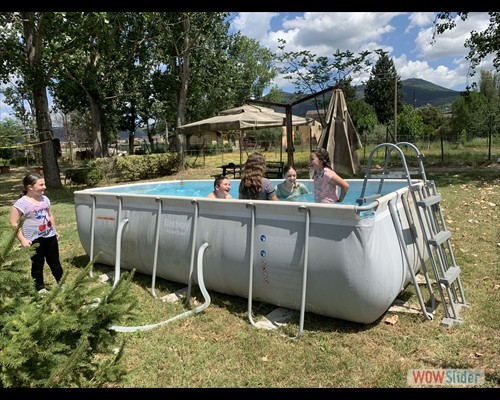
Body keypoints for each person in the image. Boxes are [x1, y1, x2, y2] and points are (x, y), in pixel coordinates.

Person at [9, 173, 63, 293]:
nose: (44, 187)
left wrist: (55, 230)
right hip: (34, 239)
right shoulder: (21, 203)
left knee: (55, 262)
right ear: (30, 187)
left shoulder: (45, 199)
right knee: (38, 264)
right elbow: (13, 223)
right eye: (41, 184)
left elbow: (50, 215)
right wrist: (22, 239)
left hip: (50, 236)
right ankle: (40, 288)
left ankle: (62, 284)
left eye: (44, 184)